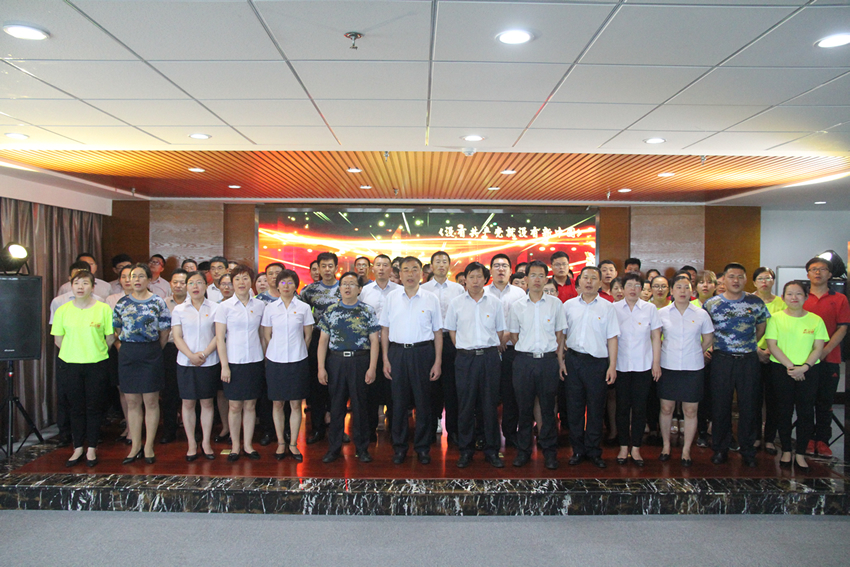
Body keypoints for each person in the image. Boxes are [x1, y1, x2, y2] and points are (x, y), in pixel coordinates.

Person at [702, 263, 770, 467]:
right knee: (720, 405)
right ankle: (720, 449)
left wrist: (747, 344)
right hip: (721, 359)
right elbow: (705, 330)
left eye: (740, 276)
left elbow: (761, 328)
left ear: (746, 279)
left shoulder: (755, 302)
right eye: (732, 276)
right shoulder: (712, 304)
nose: (736, 280)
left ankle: (748, 450)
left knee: (749, 406)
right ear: (723, 280)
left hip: (748, 360)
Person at [380, 256, 442, 464]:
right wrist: (385, 359)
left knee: (424, 403)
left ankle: (423, 448)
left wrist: (437, 362)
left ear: (421, 273)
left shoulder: (431, 298)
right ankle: (399, 447)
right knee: (398, 404)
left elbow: (438, 332)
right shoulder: (391, 298)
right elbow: (385, 330)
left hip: (423, 353)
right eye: (406, 270)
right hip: (397, 353)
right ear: (400, 273)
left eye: (414, 269)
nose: (410, 274)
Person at [444, 262, 506, 468]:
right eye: (471, 277)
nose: (475, 281)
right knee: (465, 405)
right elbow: (452, 331)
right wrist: (465, 348)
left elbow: (499, 331)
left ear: (485, 279)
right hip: (465, 358)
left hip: (489, 357)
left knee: (489, 406)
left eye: (479, 277)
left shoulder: (495, 302)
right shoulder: (456, 303)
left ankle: (492, 451)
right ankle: (466, 450)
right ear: (465, 280)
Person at [50, 270, 114, 468]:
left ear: (93, 287)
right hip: (70, 364)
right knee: (75, 408)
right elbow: (58, 339)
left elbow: (110, 338)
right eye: (76, 283)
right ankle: (77, 447)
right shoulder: (62, 310)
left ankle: (92, 448)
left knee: (94, 407)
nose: (80, 287)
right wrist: (74, 353)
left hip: (97, 364)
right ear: (71, 286)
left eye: (85, 283)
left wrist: (94, 352)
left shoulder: (103, 309)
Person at [507, 260, 567, 469]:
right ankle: (523, 451)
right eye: (533, 275)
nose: (537, 280)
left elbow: (560, 335)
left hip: (548, 361)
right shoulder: (517, 306)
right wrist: (528, 351)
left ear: (546, 278)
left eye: (541, 276)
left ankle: (549, 452)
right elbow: (514, 336)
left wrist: (557, 359)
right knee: (524, 409)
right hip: (524, 361)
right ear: (526, 278)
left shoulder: (555, 304)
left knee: (548, 409)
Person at [764, 280, 828, 472]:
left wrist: (805, 367)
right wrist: (792, 368)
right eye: (789, 294)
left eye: (798, 293)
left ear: (806, 297)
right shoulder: (775, 318)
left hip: (809, 371)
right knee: (783, 411)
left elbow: (818, 348)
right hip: (782, 369)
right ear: (783, 297)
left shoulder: (816, 320)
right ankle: (786, 450)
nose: (794, 297)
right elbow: (772, 345)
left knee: (806, 412)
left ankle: (800, 453)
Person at [316, 272, 380, 463]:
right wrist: (321, 367)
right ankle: (334, 448)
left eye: (352, 284)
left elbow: (374, 341)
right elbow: (322, 341)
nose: (347, 287)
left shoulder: (367, 310)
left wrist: (372, 367)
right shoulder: (331, 311)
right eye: (344, 283)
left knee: (360, 407)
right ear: (340, 288)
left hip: (360, 361)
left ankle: (362, 448)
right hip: (336, 362)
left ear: (359, 289)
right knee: (336, 406)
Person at [112, 263, 171, 465]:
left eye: (140, 276)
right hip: (128, 353)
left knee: (151, 401)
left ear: (148, 279)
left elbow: (165, 331)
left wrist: (154, 349)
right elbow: (116, 329)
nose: (136, 280)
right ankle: (135, 445)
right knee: (132, 402)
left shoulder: (158, 302)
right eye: (133, 276)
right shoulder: (122, 303)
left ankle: (149, 446)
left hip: (151, 352)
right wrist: (123, 347)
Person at [563, 266, 620, 469]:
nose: (589, 282)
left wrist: (612, 366)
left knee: (596, 409)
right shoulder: (568, 306)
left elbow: (612, 338)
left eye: (593, 278)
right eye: (585, 278)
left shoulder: (608, 307)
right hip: (573, 361)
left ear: (600, 283)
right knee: (574, 408)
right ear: (578, 281)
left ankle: (594, 451)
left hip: (597, 363)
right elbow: (561, 336)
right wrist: (561, 360)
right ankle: (578, 450)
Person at [657, 274, 714, 466]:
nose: (683, 291)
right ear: (671, 291)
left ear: (692, 291)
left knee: (690, 410)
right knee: (666, 408)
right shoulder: (662, 313)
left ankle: (686, 450)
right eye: (679, 287)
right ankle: (666, 446)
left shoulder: (701, 314)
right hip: (668, 365)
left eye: (686, 287)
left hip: (693, 367)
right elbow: (655, 338)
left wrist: (697, 350)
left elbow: (708, 338)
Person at [215, 265, 266, 462]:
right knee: (235, 406)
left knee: (251, 405)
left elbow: (262, 335)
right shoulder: (224, 307)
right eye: (237, 279)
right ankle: (235, 445)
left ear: (251, 282)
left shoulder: (260, 305)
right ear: (232, 283)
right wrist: (224, 366)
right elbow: (220, 338)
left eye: (245, 278)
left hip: (254, 360)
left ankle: (248, 445)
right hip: (233, 362)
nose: (241, 282)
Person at [262, 269, 314, 462]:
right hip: (275, 361)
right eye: (282, 282)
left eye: (290, 282)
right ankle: (280, 443)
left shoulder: (303, 308)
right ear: (277, 286)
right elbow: (267, 336)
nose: (286, 286)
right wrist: (277, 350)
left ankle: (293, 443)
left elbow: (308, 336)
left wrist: (298, 350)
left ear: (296, 286)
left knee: (295, 404)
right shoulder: (270, 308)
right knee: (277, 403)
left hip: (297, 360)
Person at [612, 272, 662, 467]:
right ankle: (623, 446)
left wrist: (656, 363)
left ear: (642, 289)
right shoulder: (614, 308)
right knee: (622, 408)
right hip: (621, 365)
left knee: (640, 409)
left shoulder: (650, 309)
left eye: (637, 286)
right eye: (629, 285)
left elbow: (656, 337)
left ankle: (636, 448)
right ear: (622, 289)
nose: (633, 289)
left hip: (643, 366)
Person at [802, 256, 850, 458]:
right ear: (808, 274)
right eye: (813, 269)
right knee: (805, 402)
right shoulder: (801, 297)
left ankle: (822, 441)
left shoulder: (840, 299)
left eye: (822, 269)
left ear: (830, 274)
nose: (818, 272)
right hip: (803, 359)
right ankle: (806, 439)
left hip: (829, 358)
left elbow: (842, 328)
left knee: (825, 402)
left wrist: (824, 351)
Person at [171, 271, 220, 461]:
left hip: (209, 361)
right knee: (188, 403)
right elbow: (177, 337)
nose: (195, 286)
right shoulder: (179, 310)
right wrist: (191, 355)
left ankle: (206, 442)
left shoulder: (215, 308)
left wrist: (204, 354)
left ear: (206, 286)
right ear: (186, 286)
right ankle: (191, 443)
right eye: (191, 283)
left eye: (199, 282)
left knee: (207, 402)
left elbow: (218, 335)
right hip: (185, 362)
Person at [421, 251, 465, 446]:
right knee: (430, 388)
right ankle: (430, 429)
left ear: (449, 265)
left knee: (451, 387)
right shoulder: (423, 289)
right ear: (431, 266)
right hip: (428, 341)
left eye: (444, 262)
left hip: (451, 341)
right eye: (437, 262)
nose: (441, 265)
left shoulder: (458, 289)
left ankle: (453, 431)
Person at [300, 252, 341, 444]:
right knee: (317, 385)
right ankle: (317, 428)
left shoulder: (344, 287)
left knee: (338, 386)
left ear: (336, 268)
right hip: (317, 339)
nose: (327, 269)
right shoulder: (309, 291)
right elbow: (301, 314)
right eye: (323, 266)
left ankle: (337, 428)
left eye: (330, 266)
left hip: (340, 340)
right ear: (318, 268)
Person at [485, 253, 525, 448]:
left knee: (511, 395)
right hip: (488, 351)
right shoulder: (483, 292)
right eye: (497, 265)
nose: (500, 269)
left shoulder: (520, 294)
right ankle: (487, 435)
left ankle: (510, 434)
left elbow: (523, 321)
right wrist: (497, 338)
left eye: (504, 266)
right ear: (490, 270)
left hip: (511, 350)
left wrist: (506, 336)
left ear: (510, 271)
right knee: (488, 395)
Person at [752, 267, 786, 455]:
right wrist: (757, 350)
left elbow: (786, 330)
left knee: (774, 399)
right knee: (753, 399)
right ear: (754, 282)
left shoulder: (782, 303)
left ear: (773, 281)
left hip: (776, 357)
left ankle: (771, 438)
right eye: (760, 278)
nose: (764, 282)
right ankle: (756, 436)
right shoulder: (748, 301)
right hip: (753, 355)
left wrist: (770, 350)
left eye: (768, 278)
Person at [160, 268, 189, 445]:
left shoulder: (194, 302)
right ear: (170, 284)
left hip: (189, 350)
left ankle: (193, 431)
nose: (178, 285)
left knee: (190, 393)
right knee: (169, 392)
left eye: (182, 282)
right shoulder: (162, 303)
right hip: (169, 349)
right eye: (175, 282)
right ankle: (169, 430)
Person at [693, 270, 718, 448]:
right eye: (701, 282)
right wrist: (700, 352)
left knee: (718, 396)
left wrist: (711, 349)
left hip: (717, 355)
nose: (705, 285)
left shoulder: (721, 305)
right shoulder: (690, 305)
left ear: (715, 286)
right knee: (700, 396)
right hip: (695, 357)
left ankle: (718, 432)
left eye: (709, 282)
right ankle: (701, 432)